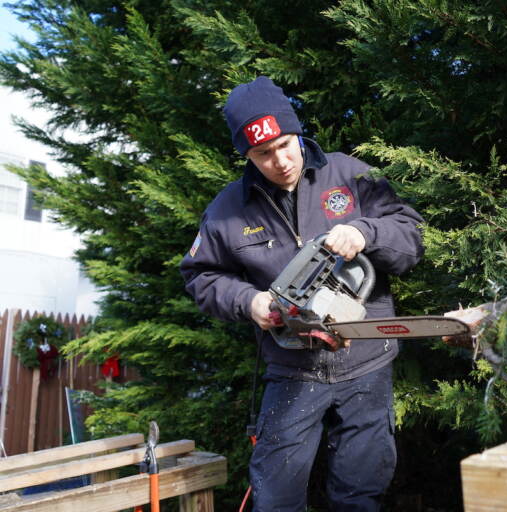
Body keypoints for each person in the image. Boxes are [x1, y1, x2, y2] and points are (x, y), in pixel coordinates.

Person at [180, 76, 424, 511]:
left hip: (366, 361)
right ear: (247, 155)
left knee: (359, 495)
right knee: (275, 499)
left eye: (285, 144)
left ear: (297, 132)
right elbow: (201, 277)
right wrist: (249, 302)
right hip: (291, 368)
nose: (280, 161)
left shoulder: (349, 174)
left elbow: (410, 237)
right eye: (263, 154)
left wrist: (364, 232)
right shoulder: (226, 211)